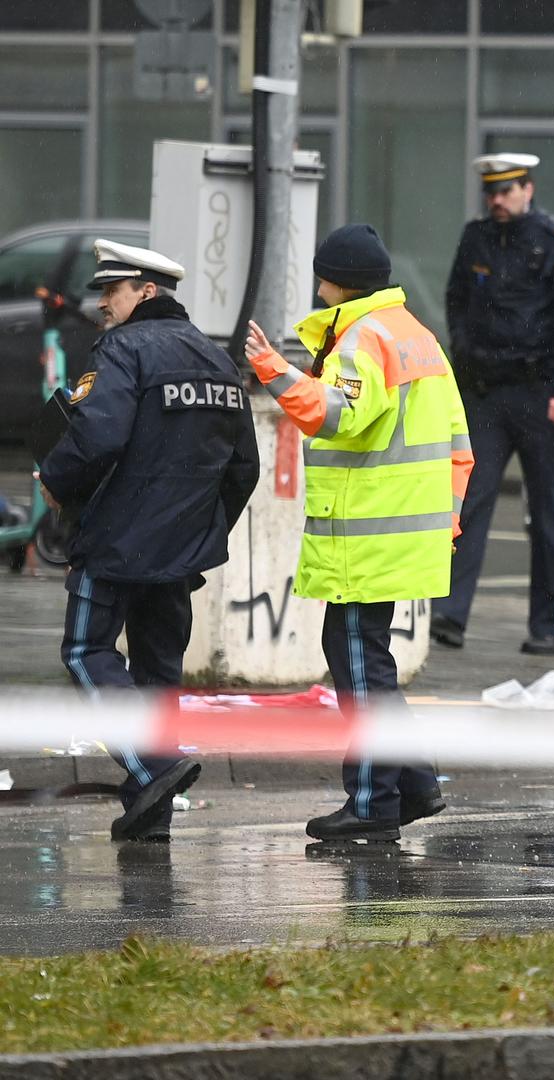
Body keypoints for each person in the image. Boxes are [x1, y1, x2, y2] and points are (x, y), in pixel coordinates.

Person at [243, 223, 473, 843]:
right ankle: (417, 785)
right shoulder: (416, 336)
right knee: (369, 661)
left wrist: (271, 368)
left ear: (332, 280)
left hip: (364, 540)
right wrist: (442, 521)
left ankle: (373, 804)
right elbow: (460, 445)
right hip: (403, 535)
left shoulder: (363, 337)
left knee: (359, 669)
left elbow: (336, 414)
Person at [37, 240, 259, 842]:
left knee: (86, 653)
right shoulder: (217, 360)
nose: (103, 304)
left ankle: (153, 767)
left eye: (112, 291)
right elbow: (244, 468)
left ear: (146, 292)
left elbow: (97, 437)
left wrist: (55, 485)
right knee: (159, 672)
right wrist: (201, 530)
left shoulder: (122, 349)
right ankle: (149, 814)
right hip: (178, 552)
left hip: (113, 541)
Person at [434, 152, 554, 656]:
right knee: (470, 503)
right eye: (491, 191)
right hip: (487, 392)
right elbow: (457, 303)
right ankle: (449, 615)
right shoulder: (477, 237)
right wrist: (464, 364)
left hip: (540, 394)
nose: (497, 200)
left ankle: (545, 626)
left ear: (528, 189)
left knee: (546, 513)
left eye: (507, 191)